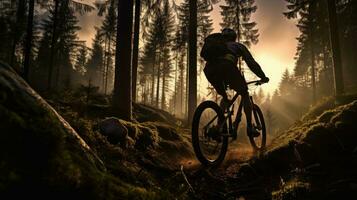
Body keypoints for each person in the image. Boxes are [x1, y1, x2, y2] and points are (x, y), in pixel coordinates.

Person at [203, 28, 269, 138]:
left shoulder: (216, 48)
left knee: (225, 97)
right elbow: (251, 62)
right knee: (244, 93)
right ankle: (250, 127)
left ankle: (219, 127)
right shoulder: (238, 46)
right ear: (234, 38)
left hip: (209, 70)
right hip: (226, 67)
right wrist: (262, 76)